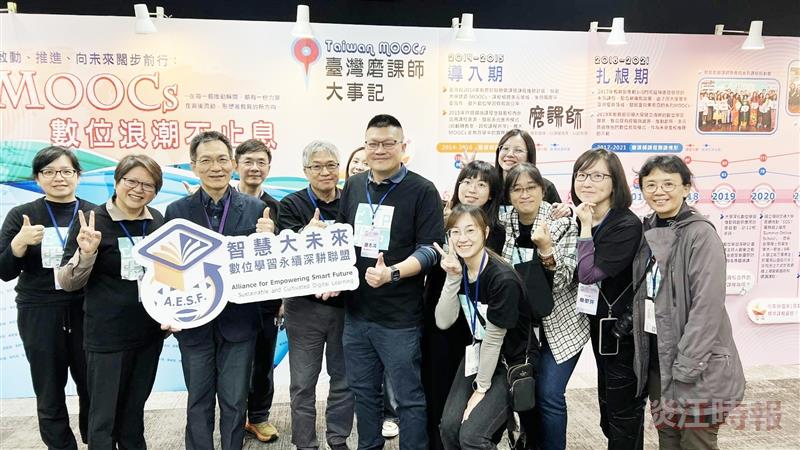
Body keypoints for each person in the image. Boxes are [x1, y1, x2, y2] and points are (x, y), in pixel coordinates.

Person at [336, 114, 444, 449]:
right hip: (356, 315)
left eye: (387, 143)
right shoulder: (353, 186)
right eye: (373, 143)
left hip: (399, 319)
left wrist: (392, 273)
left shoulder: (422, 190)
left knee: (408, 399)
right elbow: (343, 237)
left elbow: (431, 250)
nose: (379, 150)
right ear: (364, 146)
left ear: (402, 147)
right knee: (364, 395)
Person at [165, 131, 273, 450]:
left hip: (239, 322)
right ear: (193, 165)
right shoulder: (177, 212)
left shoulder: (256, 210)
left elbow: (266, 267)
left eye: (222, 159)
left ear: (233, 164)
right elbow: (168, 268)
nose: (216, 167)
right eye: (207, 160)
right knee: (198, 401)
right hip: (194, 322)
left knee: (235, 402)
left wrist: (270, 239)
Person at [632, 155, 745, 450]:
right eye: (651, 184)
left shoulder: (700, 234)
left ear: (686, 188)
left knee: (697, 440)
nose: (659, 191)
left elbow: (706, 308)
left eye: (669, 183)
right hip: (660, 357)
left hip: (696, 363)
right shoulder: (649, 230)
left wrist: (686, 366)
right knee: (668, 437)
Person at [58, 154, 166, 449]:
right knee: (103, 418)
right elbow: (67, 282)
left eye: (148, 184)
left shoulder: (157, 221)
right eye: (132, 181)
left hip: (148, 333)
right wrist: (87, 252)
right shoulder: (93, 221)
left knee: (134, 414)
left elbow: (168, 273)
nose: (139, 189)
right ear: (117, 182)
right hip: (107, 335)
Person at [0, 146, 94, 450]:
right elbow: (4, 271)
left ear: (78, 176)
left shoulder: (94, 213)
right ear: (38, 178)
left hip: (85, 309)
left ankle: (98, 441)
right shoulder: (22, 215)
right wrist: (18, 244)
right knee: (49, 388)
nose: (59, 178)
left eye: (66, 171)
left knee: (93, 385)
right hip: (39, 310)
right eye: (49, 172)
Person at [499, 163, 584, 450]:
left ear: (542, 189)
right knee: (524, 390)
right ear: (508, 194)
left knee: (549, 394)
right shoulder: (505, 222)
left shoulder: (562, 223)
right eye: (517, 189)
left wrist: (546, 250)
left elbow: (563, 280)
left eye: (530, 188)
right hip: (522, 327)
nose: (524, 195)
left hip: (560, 325)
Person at [421, 160, 504, 449]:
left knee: (474, 395)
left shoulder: (497, 231)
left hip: (478, 323)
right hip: (442, 312)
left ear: (492, 194)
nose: (472, 189)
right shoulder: (441, 220)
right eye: (467, 181)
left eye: (482, 184)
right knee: (437, 386)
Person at [435, 205, 532, 449]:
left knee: (472, 436)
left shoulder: (502, 279)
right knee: (448, 427)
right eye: (455, 232)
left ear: (485, 232)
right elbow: (443, 321)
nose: (462, 238)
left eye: (470, 230)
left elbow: (494, 339)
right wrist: (452, 278)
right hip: (479, 356)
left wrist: (480, 390)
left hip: (509, 362)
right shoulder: (462, 269)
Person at [278, 141, 354, 450]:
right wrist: (305, 236)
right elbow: (283, 252)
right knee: (303, 383)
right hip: (304, 309)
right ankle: (305, 443)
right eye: (317, 167)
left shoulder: (352, 200)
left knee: (344, 381)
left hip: (346, 308)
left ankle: (338, 439)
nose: (325, 172)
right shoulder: (291, 205)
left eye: (331, 165)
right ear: (305, 171)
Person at [571, 149, 647, 449]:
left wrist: (586, 228)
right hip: (600, 328)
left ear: (614, 183)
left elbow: (588, 274)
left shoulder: (625, 225)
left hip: (621, 333)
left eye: (598, 176)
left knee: (622, 414)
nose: (587, 182)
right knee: (609, 410)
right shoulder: (586, 215)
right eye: (582, 175)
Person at [230, 139, 283, 443]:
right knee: (231, 364)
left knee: (263, 361)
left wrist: (284, 297)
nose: (254, 167)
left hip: (266, 299)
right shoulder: (221, 205)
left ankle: (259, 417)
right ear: (237, 165)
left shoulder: (277, 207)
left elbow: (286, 257)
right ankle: (233, 419)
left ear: (268, 167)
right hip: (230, 299)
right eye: (248, 161)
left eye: (261, 162)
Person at [345, 145, 398, 440]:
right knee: (361, 382)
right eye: (356, 162)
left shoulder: (412, 190)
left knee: (394, 372)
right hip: (356, 302)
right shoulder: (353, 190)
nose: (361, 166)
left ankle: (391, 414)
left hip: (394, 304)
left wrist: (393, 272)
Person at [493, 129, 561, 206]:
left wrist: (567, 210)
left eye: (518, 150)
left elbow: (560, 213)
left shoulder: (546, 187)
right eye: (505, 148)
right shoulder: (489, 185)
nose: (510, 154)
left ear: (529, 156)